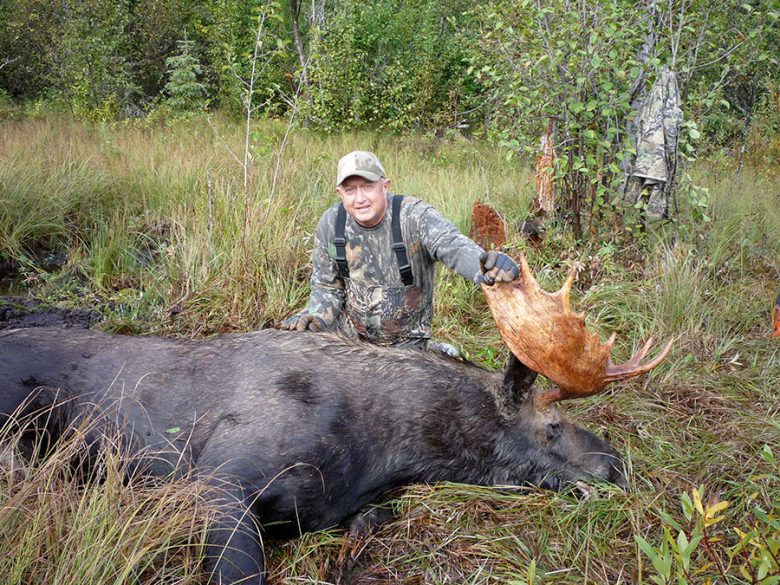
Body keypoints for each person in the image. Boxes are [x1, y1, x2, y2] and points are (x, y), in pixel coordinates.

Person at [281, 150, 519, 352]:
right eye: (350, 190)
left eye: (367, 187)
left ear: (385, 187)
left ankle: (439, 352)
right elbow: (326, 288)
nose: (360, 198)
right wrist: (317, 318)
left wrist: (486, 266)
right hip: (349, 343)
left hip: (406, 349)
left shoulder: (415, 217)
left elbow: (453, 246)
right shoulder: (332, 223)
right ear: (340, 193)